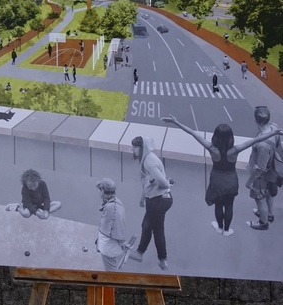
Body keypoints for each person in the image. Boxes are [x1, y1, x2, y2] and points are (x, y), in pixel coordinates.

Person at [161, 115, 282, 236]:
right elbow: (255, 140)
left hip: (216, 180)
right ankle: (227, 230)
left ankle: (219, 227)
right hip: (231, 181)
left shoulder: (211, 148)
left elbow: (192, 133)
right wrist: (273, 133)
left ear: (215, 136)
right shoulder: (235, 150)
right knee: (229, 206)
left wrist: (176, 122)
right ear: (230, 137)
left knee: (218, 205)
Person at [128, 136, 172, 271]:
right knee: (146, 225)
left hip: (158, 201)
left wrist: (165, 184)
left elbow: (164, 183)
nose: (133, 150)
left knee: (157, 230)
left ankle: (162, 260)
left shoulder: (148, 162)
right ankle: (139, 253)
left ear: (143, 148)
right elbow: (150, 181)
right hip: (157, 199)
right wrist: (144, 195)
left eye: (135, 147)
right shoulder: (149, 157)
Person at [244, 106, 280, 231]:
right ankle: (269, 215)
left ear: (256, 120)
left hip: (262, 176)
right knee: (269, 193)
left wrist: (249, 182)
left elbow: (260, 168)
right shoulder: (274, 128)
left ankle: (263, 222)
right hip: (272, 172)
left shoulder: (263, 145)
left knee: (259, 198)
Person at [96, 178, 136, 271]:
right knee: (110, 270)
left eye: (99, 190)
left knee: (111, 273)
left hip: (108, 247)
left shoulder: (112, 207)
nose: (98, 192)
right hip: (108, 244)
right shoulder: (114, 202)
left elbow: (116, 227)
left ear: (102, 190)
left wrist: (123, 244)